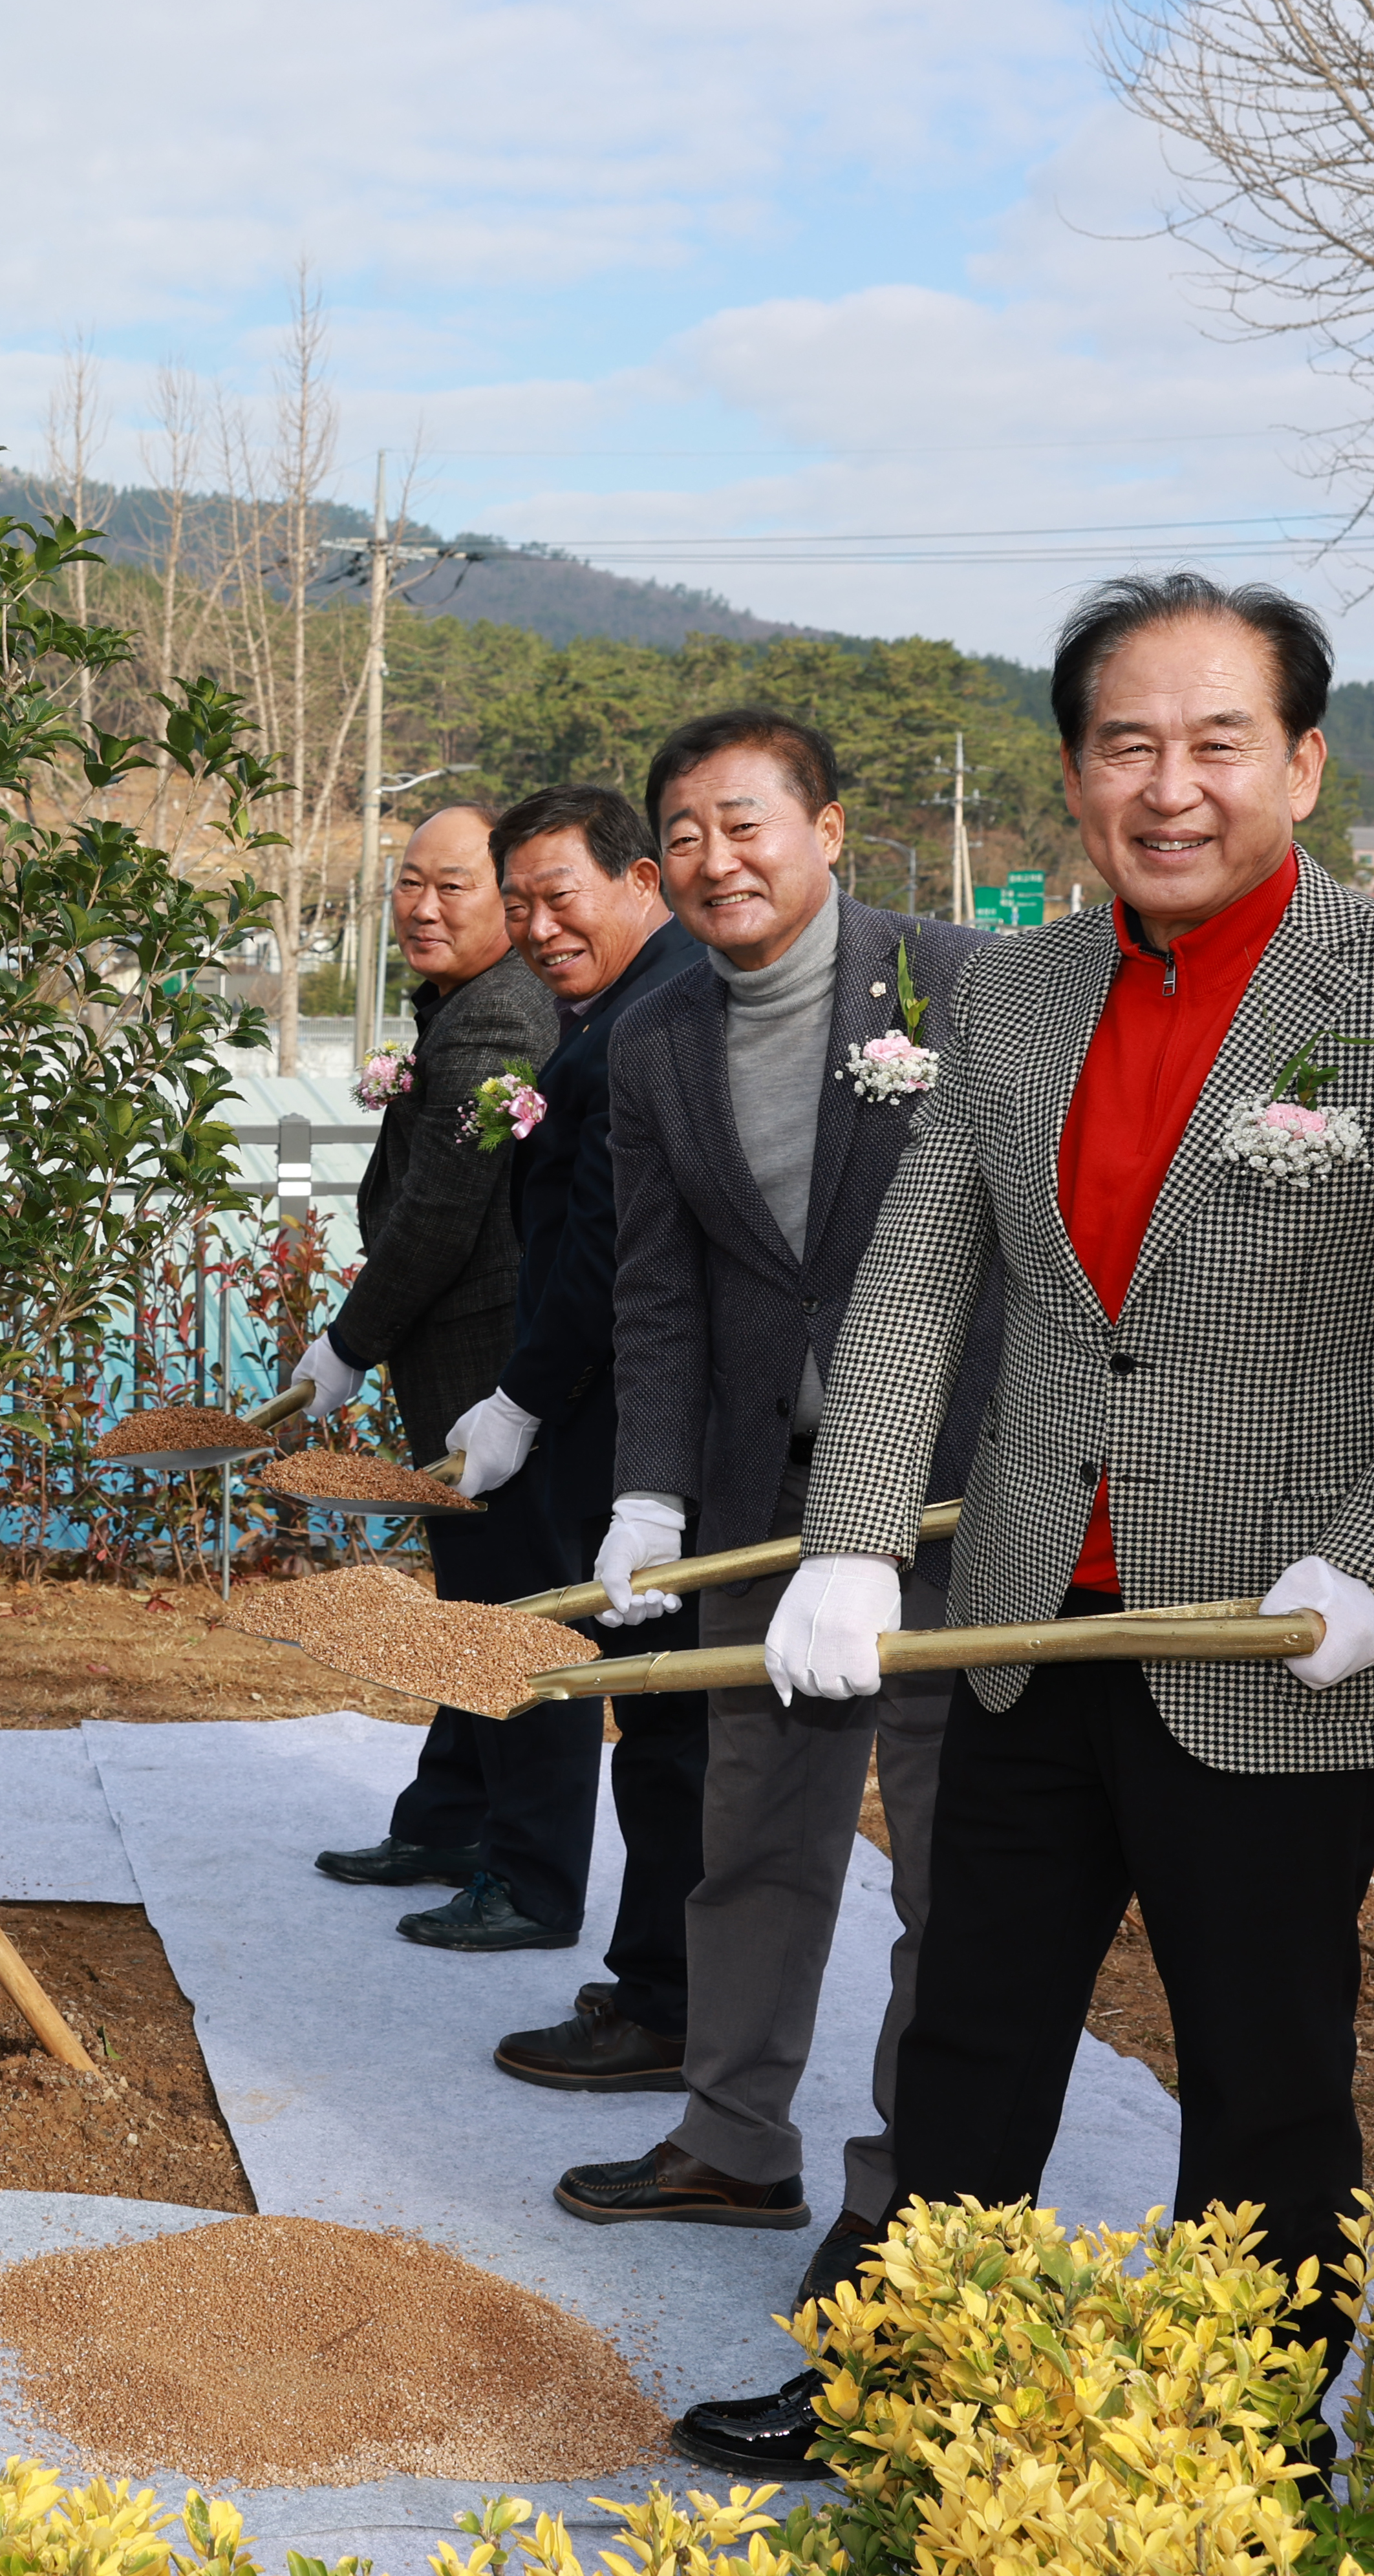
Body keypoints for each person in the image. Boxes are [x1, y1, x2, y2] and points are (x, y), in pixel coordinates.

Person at [674, 575, 1374, 2478]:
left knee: (1264, 2067)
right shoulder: (1014, 990)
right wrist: (852, 1534)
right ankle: (907, 2381)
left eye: (1216, 742)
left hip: (1276, 1629)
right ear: (1078, 773)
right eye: (1126, 745)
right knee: (971, 2030)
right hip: (1030, 1614)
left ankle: (1243, 2435)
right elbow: (920, 1276)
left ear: (1303, 765)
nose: (1170, 787)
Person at [537, 711, 996, 2271]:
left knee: (951, 1857)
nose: (714, 858)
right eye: (684, 833)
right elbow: (659, 1293)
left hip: (952, 1500)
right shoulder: (662, 1035)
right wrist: (649, 1495)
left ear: (828, 830)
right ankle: (733, 2140)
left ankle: (912, 2187)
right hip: (758, 1499)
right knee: (753, 1841)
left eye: (745, 822)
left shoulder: (961, 981)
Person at [405, 785, 710, 1971]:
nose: (538, 928)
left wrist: (520, 1399)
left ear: (641, 882)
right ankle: (640, 1976)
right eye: (520, 902)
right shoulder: (614, 1011)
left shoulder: (653, 1019)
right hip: (592, 1403)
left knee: (657, 1717)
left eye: (558, 897)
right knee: (639, 1705)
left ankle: (655, 1989)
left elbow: (601, 1250)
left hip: (635, 1418)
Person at [299, 803, 566, 1893]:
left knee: (513, 1615)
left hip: (491, 1363)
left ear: (510, 900)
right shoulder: (460, 1003)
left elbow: (442, 1213)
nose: (423, 906)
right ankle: (447, 1820)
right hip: (458, 1355)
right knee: (471, 1602)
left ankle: (529, 1874)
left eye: (453, 886)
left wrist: (347, 1342)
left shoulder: (501, 1015)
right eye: (410, 882)